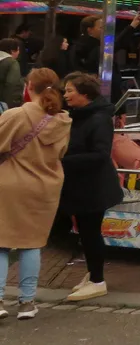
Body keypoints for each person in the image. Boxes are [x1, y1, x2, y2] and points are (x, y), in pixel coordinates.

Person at [0, 68, 71, 321]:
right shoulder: (62, 120)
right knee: (33, 244)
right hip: (45, 187)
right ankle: (27, 303)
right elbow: (60, 153)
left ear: (29, 86)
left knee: (2, 244)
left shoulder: (16, 115)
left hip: (9, 184)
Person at [60, 73, 124, 302]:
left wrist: (62, 161)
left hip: (93, 186)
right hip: (82, 184)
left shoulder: (97, 119)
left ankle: (98, 280)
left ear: (84, 94)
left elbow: (100, 154)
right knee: (86, 233)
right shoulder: (79, 116)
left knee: (90, 232)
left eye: (69, 91)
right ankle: (93, 274)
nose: (65, 95)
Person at [0, 37, 23, 110]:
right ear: (12, 51)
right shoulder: (12, 62)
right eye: (18, 49)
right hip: (5, 104)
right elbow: (12, 84)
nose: (19, 52)